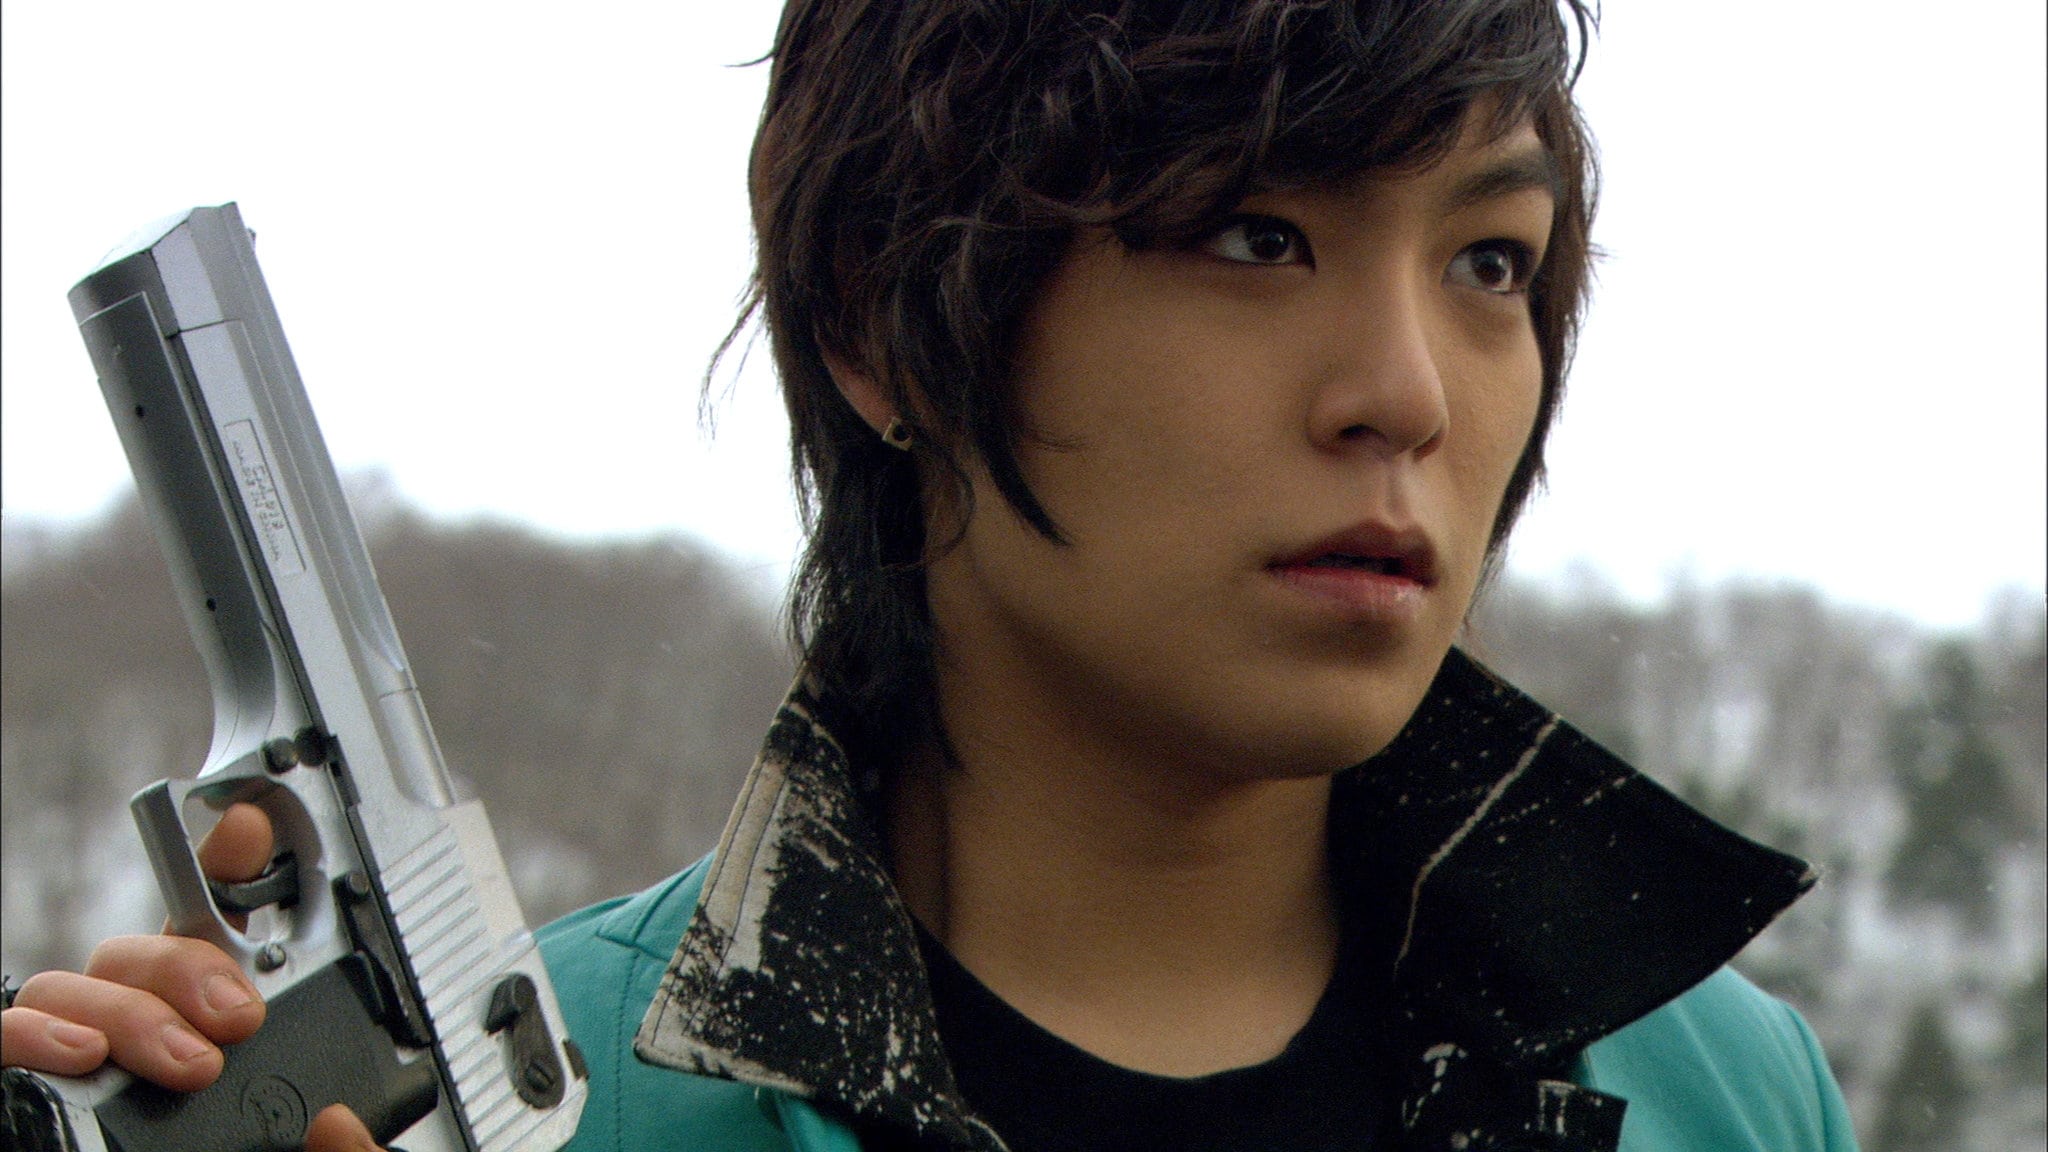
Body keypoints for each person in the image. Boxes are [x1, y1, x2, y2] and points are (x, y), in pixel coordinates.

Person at [2, 1, 1862, 1149]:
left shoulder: (1721, 1098)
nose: (1408, 393)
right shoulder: (557, 1118)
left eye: (1490, 264)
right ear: (880, 322)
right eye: (1254, 234)